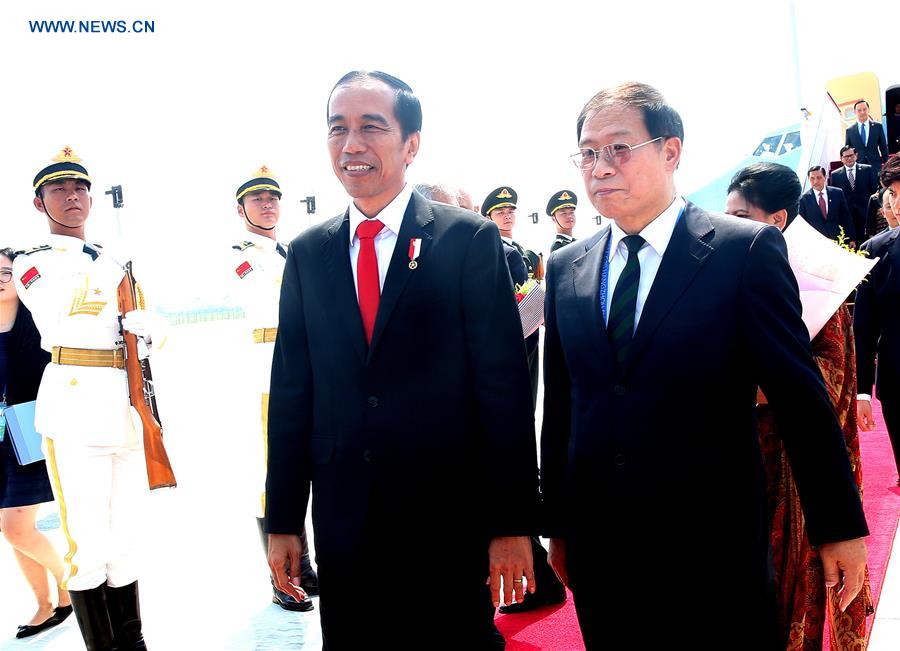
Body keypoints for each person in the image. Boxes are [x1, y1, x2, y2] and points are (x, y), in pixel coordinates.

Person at [541, 82, 869, 649]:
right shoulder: (567, 266)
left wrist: (838, 527)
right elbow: (565, 406)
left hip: (714, 552)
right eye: (588, 153)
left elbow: (799, 398)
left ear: (671, 151)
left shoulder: (742, 252)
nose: (600, 167)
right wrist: (561, 527)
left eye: (619, 148)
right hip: (605, 553)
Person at [264, 71, 538, 650]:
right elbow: (292, 391)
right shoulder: (309, 253)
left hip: (445, 518)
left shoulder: (467, 240)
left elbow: (503, 390)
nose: (351, 144)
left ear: (411, 144)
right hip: (345, 518)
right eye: (338, 129)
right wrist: (284, 519)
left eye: (371, 127)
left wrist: (512, 523)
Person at [12, 148, 161, 650]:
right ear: (40, 203)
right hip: (74, 408)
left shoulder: (111, 259)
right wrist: (117, 270)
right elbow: (64, 312)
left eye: (80, 189)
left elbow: (142, 317)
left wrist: (153, 327)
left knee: (125, 539)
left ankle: (132, 642)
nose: (72, 197)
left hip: (123, 407)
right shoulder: (31, 263)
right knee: (87, 545)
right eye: (59, 190)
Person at [724, 162, 873, 648]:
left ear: (776, 219)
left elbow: (828, 381)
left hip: (801, 468)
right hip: (745, 462)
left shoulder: (815, 281)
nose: (729, 224)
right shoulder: (731, 275)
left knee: (798, 590)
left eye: (741, 214)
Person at [228, 166, 317, 612]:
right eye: (257, 199)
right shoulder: (240, 255)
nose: (267, 205)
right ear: (240, 208)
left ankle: (307, 566)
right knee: (273, 474)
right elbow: (268, 303)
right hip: (267, 370)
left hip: (309, 365)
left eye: (273, 198)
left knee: (310, 464)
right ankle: (283, 578)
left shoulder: (289, 251)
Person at [0, 247, 72, 639]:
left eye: (6, 271)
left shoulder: (38, 320)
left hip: (30, 432)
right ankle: (46, 605)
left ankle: (69, 585)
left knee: (15, 527)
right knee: (9, 527)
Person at [855, 153, 900, 485]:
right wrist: (862, 392)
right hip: (897, 379)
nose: (896, 202)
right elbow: (865, 327)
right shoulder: (876, 250)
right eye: (893, 194)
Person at [481, 187, 542, 406]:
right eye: (500, 211)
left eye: (510, 210)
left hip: (531, 336)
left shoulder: (523, 251)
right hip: (511, 339)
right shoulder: (491, 250)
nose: (507, 215)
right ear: (488, 216)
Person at [830, 145, 879, 244]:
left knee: (868, 244)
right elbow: (835, 197)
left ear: (856, 155)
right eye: (846, 156)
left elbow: (874, 191)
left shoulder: (867, 169)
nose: (849, 158)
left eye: (851, 155)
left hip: (866, 214)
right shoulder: (835, 175)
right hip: (848, 217)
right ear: (841, 159)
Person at [797, 166, 856, 245]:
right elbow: (803, 225)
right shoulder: (803, 199)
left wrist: (851, 238)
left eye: (819, 178)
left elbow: (846, 217)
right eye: (812, 178)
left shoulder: (837, 193)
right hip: (817, 244)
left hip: (839, 241)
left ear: (825, 177)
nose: (815, 181)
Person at [845, 100, 889, 174]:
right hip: (859, 168)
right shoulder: (850, 131)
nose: (862, 112)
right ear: (855, 112)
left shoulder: (878, 127)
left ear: (868, 110)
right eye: (859, 110)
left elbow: (883, 147)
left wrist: (887, 166)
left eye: (864, 109)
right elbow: (847, 152)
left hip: (875, 167)